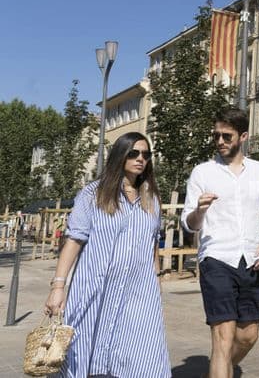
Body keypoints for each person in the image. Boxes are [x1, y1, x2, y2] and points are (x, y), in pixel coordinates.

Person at [44, 132, 170, 377]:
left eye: (145, 154)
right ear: (119, 155)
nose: (140, 159)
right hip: (95, 289)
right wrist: (58, 286)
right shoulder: (93, 194)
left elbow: (153, 241)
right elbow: (74, 240)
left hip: (138, 292)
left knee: (142, 357)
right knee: (83, 353)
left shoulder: (152, 199)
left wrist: (156, 279)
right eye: (133, 153)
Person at [182, 107, 259, 378]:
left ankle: (219, 368)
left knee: (248, 335)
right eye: (216, 136)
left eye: (227, 136)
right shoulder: (202, 173)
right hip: (216, 259)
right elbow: (188, 223)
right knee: (222, 338)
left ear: (243, 136)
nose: (220, 141)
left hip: (252, 259)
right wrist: (199, 210)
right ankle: (221, 365)